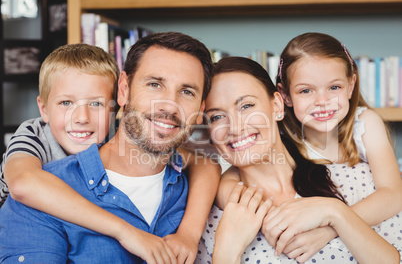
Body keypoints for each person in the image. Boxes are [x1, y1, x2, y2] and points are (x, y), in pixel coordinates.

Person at [0, 32, 220, 263]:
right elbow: (23, 182)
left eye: (187, 92)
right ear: (123, 89)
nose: (169, 105)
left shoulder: (204, 198)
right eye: (155, 84)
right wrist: (124, 231)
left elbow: (205, 164)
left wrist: (189, 234)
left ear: (201, 108)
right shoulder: (39, 193)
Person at [196, 56, 402, 263]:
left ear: (276, 106)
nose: (235, 127)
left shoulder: (356, 180)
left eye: (246, 106)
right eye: (216, 117)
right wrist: (225, 253)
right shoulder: (205, 218)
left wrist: (336, 213)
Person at [275, 32, 402, 260]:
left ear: (351, 85)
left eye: (334, 87)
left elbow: (393, 194)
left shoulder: (365, 124)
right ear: (285, 95)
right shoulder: (282, 138)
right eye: (306, 90)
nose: (322, 101)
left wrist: (330, 228)